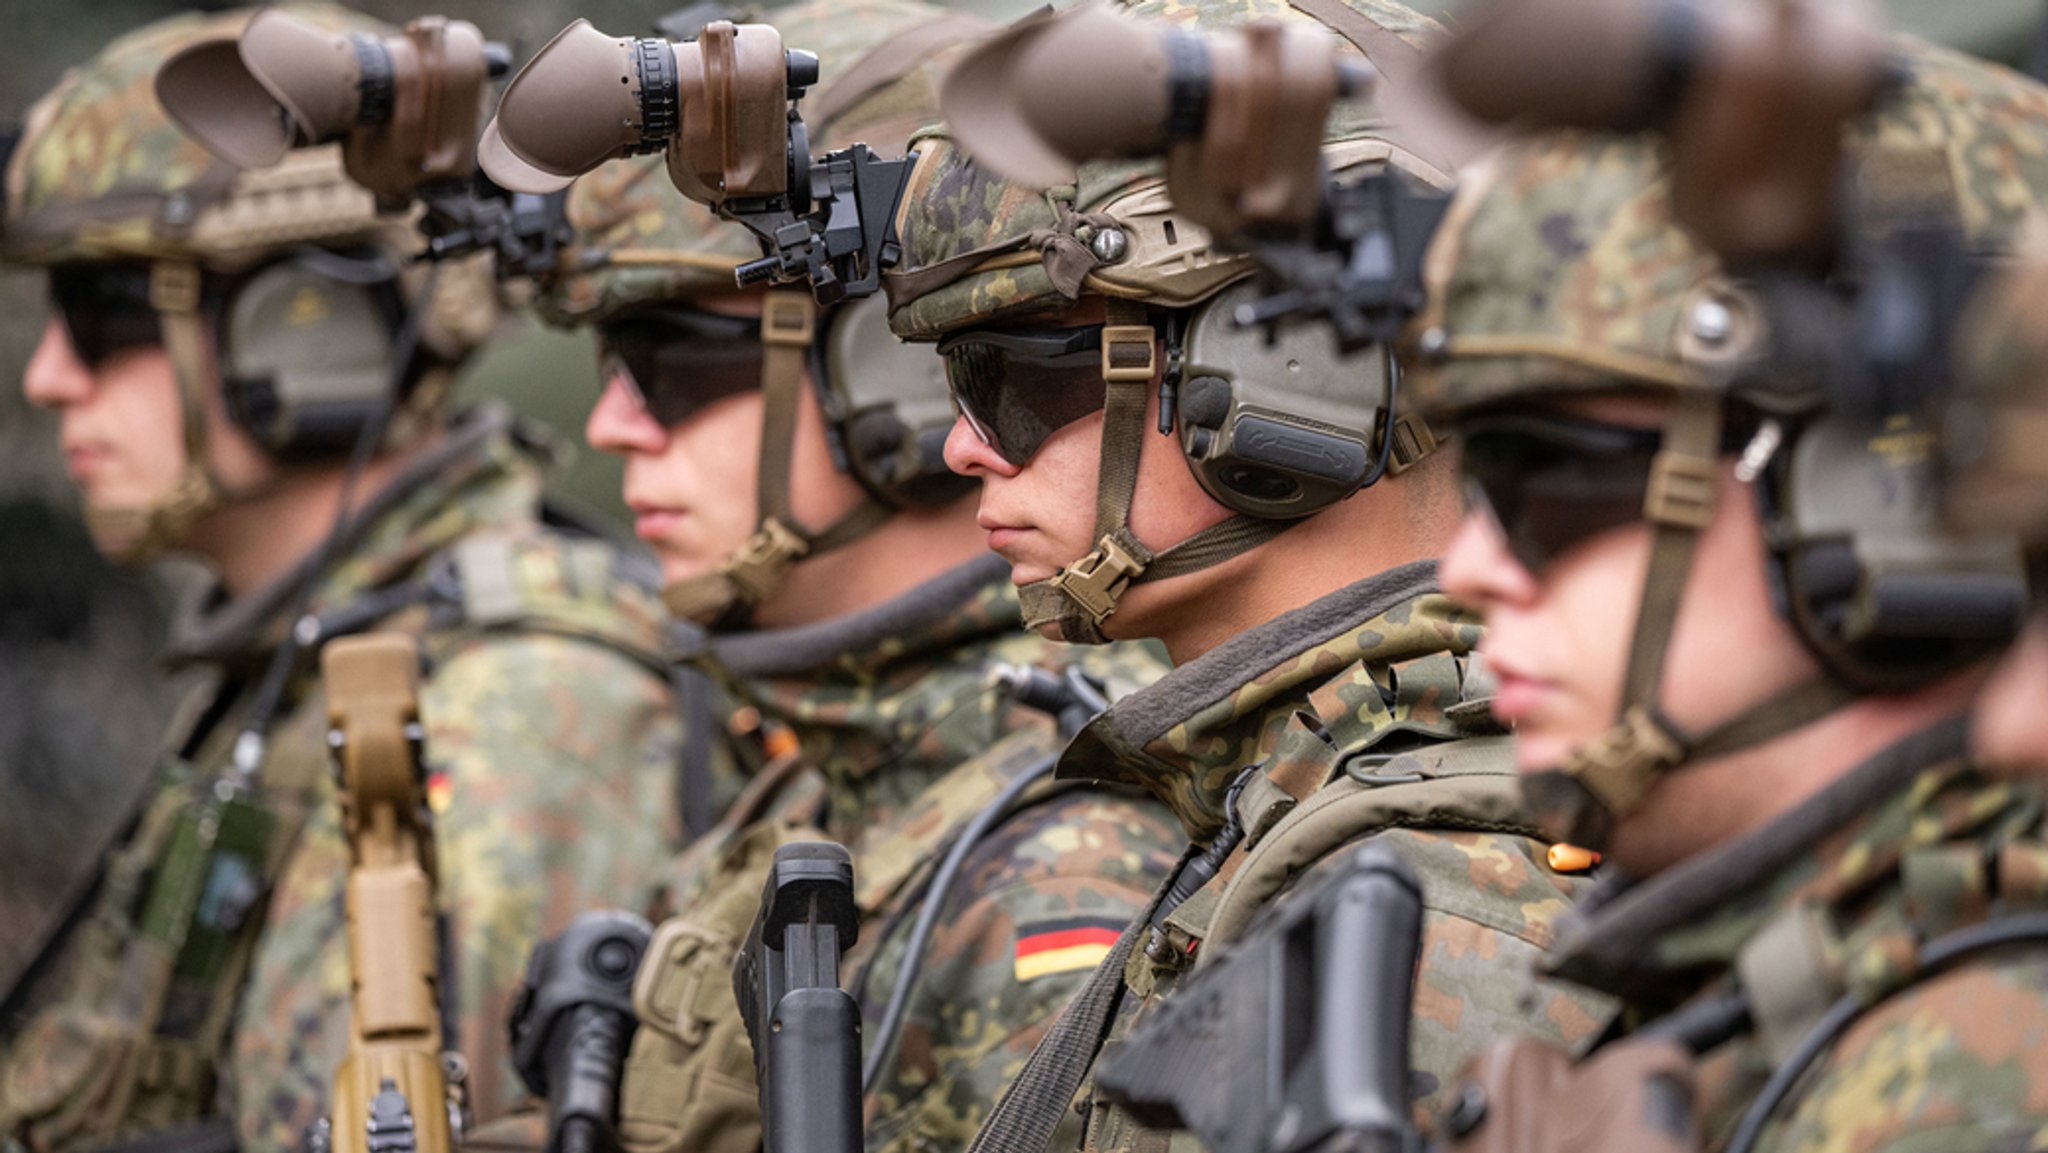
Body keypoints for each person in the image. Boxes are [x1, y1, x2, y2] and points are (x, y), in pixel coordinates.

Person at [882, 2, 1615, 1147]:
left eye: (1009, 381)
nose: (960, 446)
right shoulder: (1287, 824)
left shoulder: (1421, 914)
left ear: (1290, 380)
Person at [0, 9, 732, 1152]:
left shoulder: (506, 712)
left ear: (308, 338)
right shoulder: (324, 655)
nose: (50, 375)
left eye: (104, 317)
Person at [500, 4, 1184, 1153]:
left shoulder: (1058, 859)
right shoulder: (832, 784)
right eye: (611, 367)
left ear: (896, 384)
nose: (613, 425)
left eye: (666, 363)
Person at [1408, 31, 2048, 1151]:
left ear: (1879, 502)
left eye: (1542, 483)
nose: (1466, 567)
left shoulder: (1963, 1073)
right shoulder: (1796, 981)